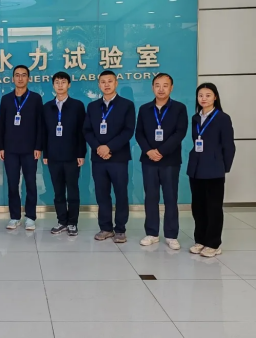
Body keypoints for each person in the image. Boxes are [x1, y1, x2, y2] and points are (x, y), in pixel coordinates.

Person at [136, 74, 188, 250]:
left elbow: (180, 133)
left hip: (170, 160)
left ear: (171, 88)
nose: (161, 89)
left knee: (170, 197)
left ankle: (171, 235)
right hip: (149, 160)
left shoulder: (179, 108)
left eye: (165, 85)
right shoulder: (144, 109)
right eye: (157, 85)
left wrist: (161, 151)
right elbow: (139, 133)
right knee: (150, 197)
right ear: (152, 87)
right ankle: (152, 233)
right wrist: (149, 151)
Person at [84, 70, 135, 244]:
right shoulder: (92, 106)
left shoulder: (126, 105)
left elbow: (128, 131)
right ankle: (105, 227)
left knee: (121, 193)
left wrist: (109, 147)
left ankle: (120, 229)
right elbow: (87, 130)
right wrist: (98, 147)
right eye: (103, 82)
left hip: (118, 158)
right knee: (102, 194)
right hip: (98, 158)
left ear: (116, 83)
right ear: (99, 85)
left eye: (110, 81)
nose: (106, 85)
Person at [187, 83, 235, 258]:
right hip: (196, 169)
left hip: (214, 169)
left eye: (208, 95)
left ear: (215, 97)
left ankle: (213, 244)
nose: (204, 98)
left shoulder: (222, 118)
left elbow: (229, 146)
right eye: (200, 95)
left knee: (213, 207)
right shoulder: (195, 118)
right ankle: (200, 240)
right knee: (198, 207)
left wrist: (223, 167)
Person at [0, 65, 43, 231]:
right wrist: (1, 147)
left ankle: (30, 217)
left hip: (30, 149)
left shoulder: (35, 98)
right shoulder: (6, 99)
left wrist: (38, 146)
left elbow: (40, 124)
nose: (20, 78)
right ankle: (15, 217)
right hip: (10, 149)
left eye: (23, 75)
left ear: (28, 78)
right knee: (12, 184)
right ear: (13, 78)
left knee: (30, 183)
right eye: (17, 75)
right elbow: (1, 124)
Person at [42, 72, 86, 236]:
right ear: (53, 85)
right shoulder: (47, 107)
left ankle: (73, 222)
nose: (60, 85)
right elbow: (44, 132)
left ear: (69, 85)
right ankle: (62, 221)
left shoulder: (77, 106)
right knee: (58, 191)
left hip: (72, 156)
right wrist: (45, 153)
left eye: (63, 82)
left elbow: (82, 132)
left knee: (73, 190)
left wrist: (81, 153)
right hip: (53, 156)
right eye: (57, 82)